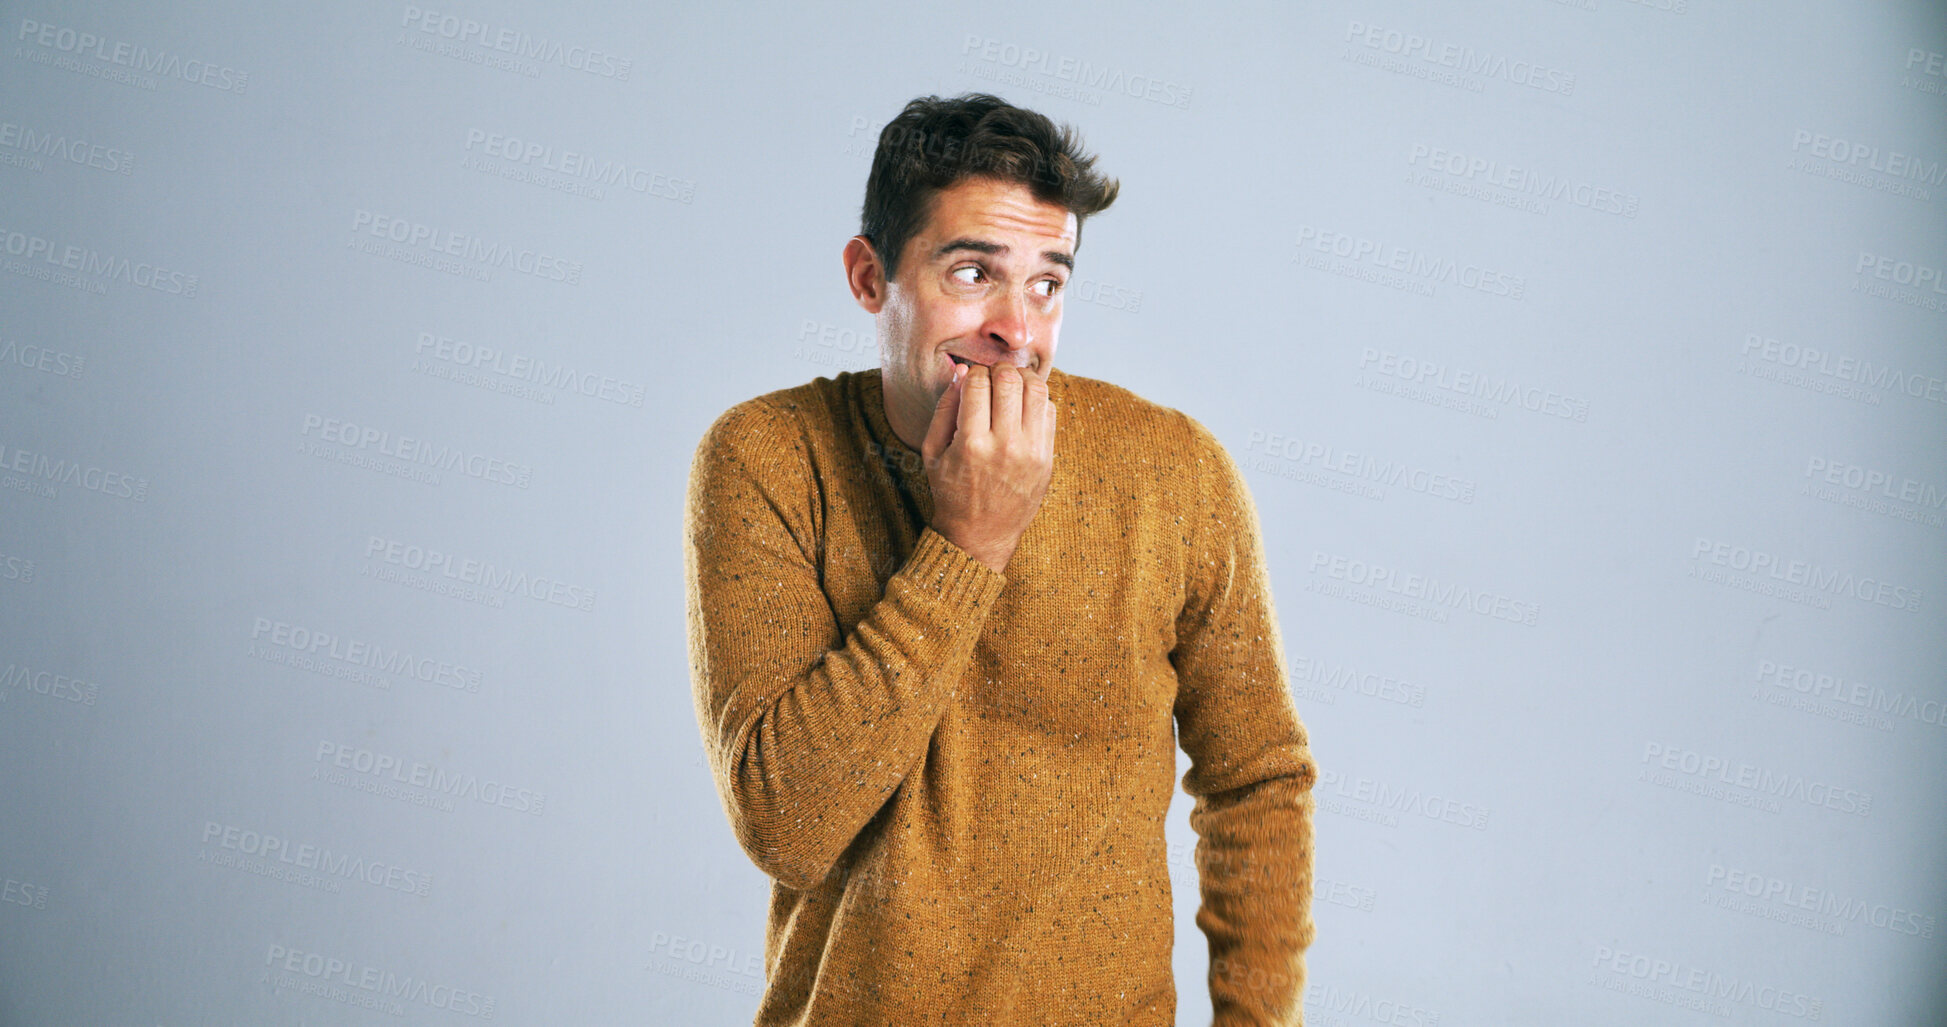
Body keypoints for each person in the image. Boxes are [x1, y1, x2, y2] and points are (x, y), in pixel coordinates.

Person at [683, 91, 1319, 1026]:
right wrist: (966, 543)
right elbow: (787, 826)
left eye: (1047, 284)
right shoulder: (767, 456)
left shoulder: (1173, 469)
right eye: (974, 272)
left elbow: (1257, 780)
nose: (1017, 330)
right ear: (870, 277)